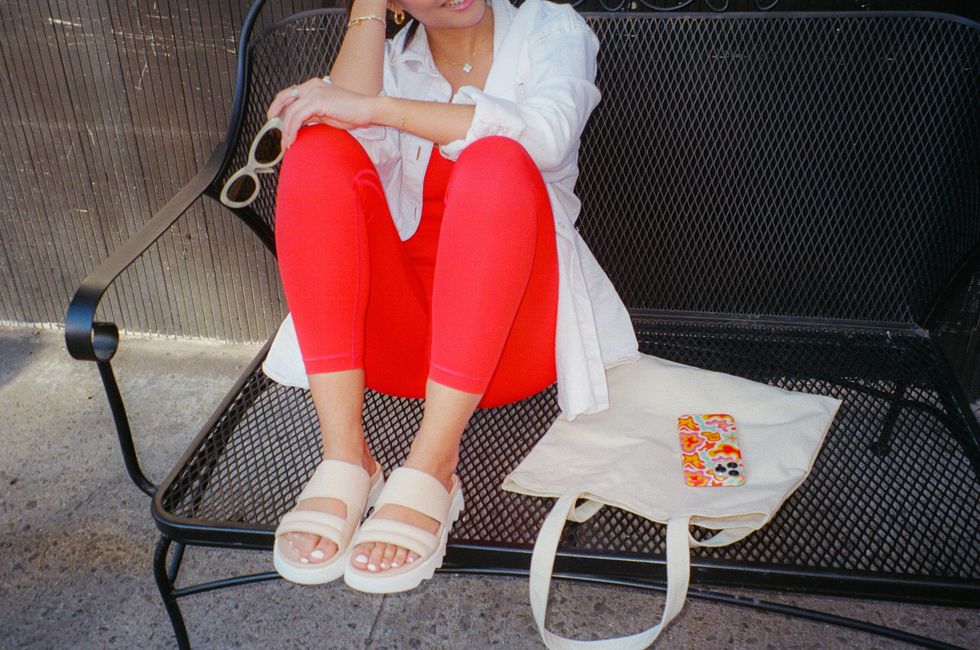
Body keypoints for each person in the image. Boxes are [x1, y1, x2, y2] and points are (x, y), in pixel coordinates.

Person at [263, 0, 640, 593]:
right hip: (390, 348)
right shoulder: (386, 61)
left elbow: (544, 134)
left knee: (497, 162)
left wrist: (377, 109)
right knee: (315, 150)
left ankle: (433, 466)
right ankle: (346, 458)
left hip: (506, 347)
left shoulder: (550, 27)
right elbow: (339, 135)